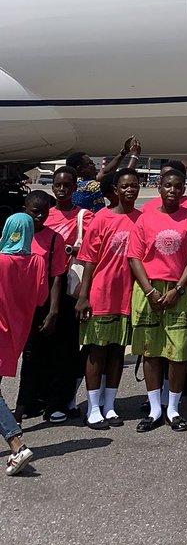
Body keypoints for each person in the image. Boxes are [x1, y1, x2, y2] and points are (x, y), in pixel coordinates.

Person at [128, 169, 187, 432]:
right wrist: (150, 291)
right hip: (148, 289)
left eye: (178, 186)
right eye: (168, 186)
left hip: (179, 290)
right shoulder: (145, 219)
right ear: (159, 187)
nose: (173, 190)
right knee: (151, 352)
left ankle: (173, 408)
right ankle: (154, 410)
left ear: (183, 190)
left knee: (178, 352)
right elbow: (134, 257)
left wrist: (179, 289)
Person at [75, 168, 143, 428]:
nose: (129, 190)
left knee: (117, 352)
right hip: (101, 294)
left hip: (128, 295)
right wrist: (84, 296)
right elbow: (90, 261)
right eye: (124, 186)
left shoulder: (142, 218)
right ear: (115, 189)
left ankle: (110, 405)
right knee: (97, 352)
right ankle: (93, 408)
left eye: (134, 185)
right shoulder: (101, 219)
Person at [0, 214, 48, 476]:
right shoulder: (38, 262)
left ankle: (16, 444)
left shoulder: (1, 260)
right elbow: (41, 298)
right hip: (16, 333)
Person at [15, 191, 66, 424]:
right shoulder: (14, 235)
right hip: (15, 307)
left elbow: (57, 277)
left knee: (36, 356)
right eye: (34, 212)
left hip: (40, 306)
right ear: (24, 209)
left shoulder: (54, 239)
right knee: (14, 357)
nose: (39, 217)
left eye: (44, 212)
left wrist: (54, 311)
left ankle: (24, 406)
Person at [43, 165, 86, 422]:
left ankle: (62, 401)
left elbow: (92, 254)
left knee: (67, 348)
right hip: (44, 287)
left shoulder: (84, 217)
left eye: (67, 185)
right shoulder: (43, 215)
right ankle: (41, 399)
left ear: (75, 187)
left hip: (70, 289)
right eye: (58, 185)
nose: (61, 189)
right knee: (43, 349)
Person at [66, 137, 141, 215]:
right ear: (81, 168)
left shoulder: (76, 182)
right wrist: (134, 156)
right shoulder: (88, 187)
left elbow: (105, 173)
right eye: (90, 164)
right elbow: (124, 178)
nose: (94, 165)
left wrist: (124, 152)